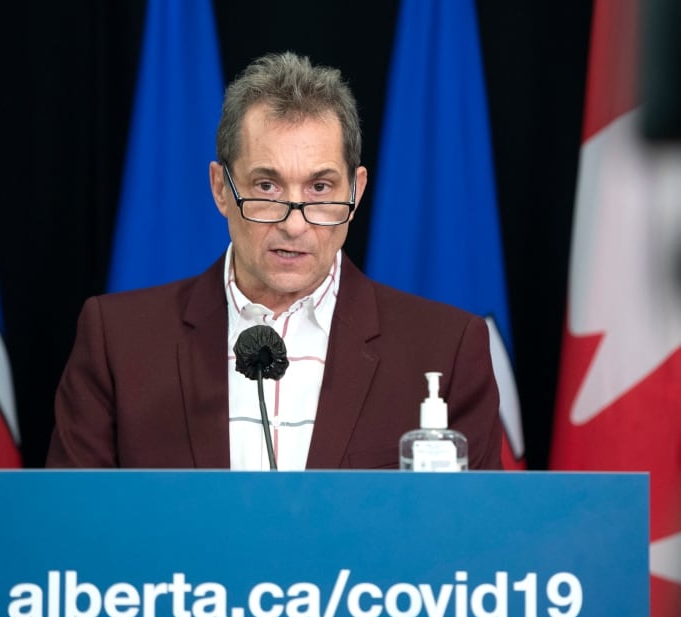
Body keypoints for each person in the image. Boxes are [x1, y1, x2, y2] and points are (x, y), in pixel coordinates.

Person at [46, 51, 503, 470]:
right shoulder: (117, 341)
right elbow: (71, 530)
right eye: (267, 187)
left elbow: (479, 542)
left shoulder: (448, 350)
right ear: (222, 189)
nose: (294, 224)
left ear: (356, 191)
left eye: (320, 189)